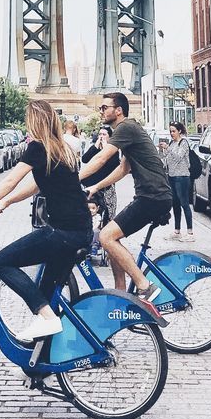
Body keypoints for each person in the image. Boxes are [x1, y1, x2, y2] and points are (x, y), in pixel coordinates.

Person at [0, 99, 90, 343]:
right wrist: (6, 202)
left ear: (35, 122)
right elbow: (35, 185)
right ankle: (41, 365)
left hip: (61, 233)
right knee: (46, 295)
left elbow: (11, 180)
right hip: (79, 232)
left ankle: (48, 318)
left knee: (3, 262)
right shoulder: (62, 150)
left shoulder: (38, 148)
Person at [79, 92, 172, 302]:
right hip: (153, 195)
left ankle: (145, 286)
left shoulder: (125, 127)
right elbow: (123, 168)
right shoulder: (129, 130)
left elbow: (102, 158)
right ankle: (121, 293)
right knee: (111, 237)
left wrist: (73, 178)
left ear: (118, 110)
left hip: (152, 196)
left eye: (104, 107)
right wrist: (94, 187)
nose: (101, 111)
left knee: (105, 237)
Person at [81, 126, 117, 259]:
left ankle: (106, 245)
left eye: (104, 134)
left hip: (106, 188)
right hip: (91, 187)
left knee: (107, 217)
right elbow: (85, 159)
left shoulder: (113, 150)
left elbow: (114, 165)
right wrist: (95, 146)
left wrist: (107, 147)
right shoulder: (94, 148)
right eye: (100, 134)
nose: (102, 136)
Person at [164, 121, 195, 240]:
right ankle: (177, 230)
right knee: (175, 203)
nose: (171, 133)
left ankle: (190, 232)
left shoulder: (184, 143)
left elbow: (178, 156)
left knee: (184, 203)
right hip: (172, 175)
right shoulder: (172, 143)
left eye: (173, 131)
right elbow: (169, 159)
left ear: (179, 131)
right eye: (170, 131)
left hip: (182, 177)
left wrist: (169, 149)